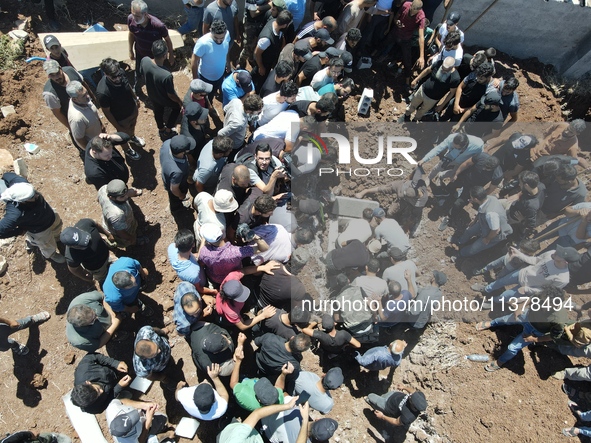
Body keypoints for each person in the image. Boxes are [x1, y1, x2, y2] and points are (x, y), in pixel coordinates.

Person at [476, 285, 569, 372]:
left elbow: (554, 336)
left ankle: (500, 361)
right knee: (505, 319)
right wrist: (520, 308)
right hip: (527, 316)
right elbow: (531, 298)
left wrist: (535, 339)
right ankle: (491, 323)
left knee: (512, 348)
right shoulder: (544, 295)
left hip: (534, 332)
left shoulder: (559, 319)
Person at [471, 245, 577, 308]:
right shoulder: (551, 253)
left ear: (565, 262)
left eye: (560, 254)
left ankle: (492, 301)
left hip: (526, 288)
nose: (556, 252)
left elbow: (545, 291)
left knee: (506, 296)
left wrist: (527, 289)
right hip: (522, 273)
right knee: (500, 282)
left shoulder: (563, 279)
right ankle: (486, 289)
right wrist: (519, 254)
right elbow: (535, 260)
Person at [0, 174, 64, 263]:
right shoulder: (15, 213)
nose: (37, 195)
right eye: (32, 196)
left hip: (50, 215)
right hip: (40, 231)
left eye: (34, 192)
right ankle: (51, 254)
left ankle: (56, 238)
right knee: (47, 245)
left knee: (57, 227)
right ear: (22, 201)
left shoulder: (20, 183)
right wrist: (18, 231)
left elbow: (6, 175)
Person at [96, 58, 143, 160]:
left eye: (119, 75)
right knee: (122, 135)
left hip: (132, 110)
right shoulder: (103, 92)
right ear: (105, 74)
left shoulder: (120, 73)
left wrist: (135, 98)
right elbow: (107, 112)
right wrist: (118, 126)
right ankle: (127, 150)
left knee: (132, 126)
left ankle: (132, 137)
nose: (118, 78)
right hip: (121, 118)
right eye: (114, 77)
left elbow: (128, 85)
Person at [197, 222, 269, 286]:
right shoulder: (236, 252)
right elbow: (264, 248)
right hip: (232, 277)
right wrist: (254, 237)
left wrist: (203, 240)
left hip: (215, 278)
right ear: (222, 233)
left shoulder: (204, 253)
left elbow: (200, 261)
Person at [128, 0, 174, 95]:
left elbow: (168, 40)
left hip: (154, 57)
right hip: (140, 52)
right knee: (138, 72)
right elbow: (131, 34)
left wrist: (171, 55)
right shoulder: (130, 20)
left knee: (155, 74)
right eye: (133, 14)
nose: (134, 18)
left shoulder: (158, 26)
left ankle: (156, 92)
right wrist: (130, 50)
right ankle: (137, 89)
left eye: (137, 16)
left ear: (145, 14)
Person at [141, 40, 184, 141]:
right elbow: (171, 95)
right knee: (176, 108)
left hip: (152, 95)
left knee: (158, 111)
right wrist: (180, 102)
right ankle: (168, 130)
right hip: (163, 98)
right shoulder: (166, 75)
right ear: (165, 55)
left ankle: (161, 128)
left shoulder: (145, 60)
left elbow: (142, 74)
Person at [452, 186, 513, 258]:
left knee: (474, 247)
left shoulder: (491, 214)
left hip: (495, 234)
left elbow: (496, 230)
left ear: (476, 199)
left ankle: (461, 254)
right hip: (486, 223)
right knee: (469, 231)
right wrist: (474, 221)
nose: (470, 198)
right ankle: (460, 241)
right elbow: (481, 209)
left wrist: (487, 239)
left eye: (471, 197)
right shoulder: (488, 198)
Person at [399, 56, 460, 122]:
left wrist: (442, 105)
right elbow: (427, 70)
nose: (443, 70)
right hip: (423, 90)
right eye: (442, 67)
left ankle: (415, 119)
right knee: (413, 104)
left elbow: (451, 93)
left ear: (452, 67)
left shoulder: (455, 78)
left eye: (446, 69)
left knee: (422, 111)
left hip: (432, 99)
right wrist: (416, 79)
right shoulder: (439, 63)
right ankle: (406, 115)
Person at [217, 397, 300, 442]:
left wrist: (287, 406)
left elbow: (257, 414)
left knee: (229, 428)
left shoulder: (237, 439)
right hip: (254, 437)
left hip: (230, 433)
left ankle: (224, 423)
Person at [416, 132, 483, 187]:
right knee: (439, 167)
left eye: (458, 148)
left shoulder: (478, 145)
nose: (456, 149)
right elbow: (438, 149)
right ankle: (429, 177)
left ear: (465, 145)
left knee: (454, 173)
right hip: (450, 156)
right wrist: (424, 159)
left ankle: (441, 176)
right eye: (454, 147)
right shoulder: (451, 138)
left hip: (463, 161)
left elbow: (477, 157)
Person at [41, 59, 89, 132]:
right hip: (76, 120)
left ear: (61, 68)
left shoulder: (71, 71)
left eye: (57, 73)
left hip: (88, 109)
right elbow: (58, 113)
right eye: (52, 75)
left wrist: (93, 99)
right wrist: (72, 129)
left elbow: (83, 84)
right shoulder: (49, 93)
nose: (56, 77)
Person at [191, 20, 232, 103]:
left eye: (222, 38)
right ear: (211, 31)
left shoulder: (227, 34)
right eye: (216, 38)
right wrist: (195, 79)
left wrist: (228, 62)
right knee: (206, 99)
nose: (219, 41)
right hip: (205, 78)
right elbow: (194, 61)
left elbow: (226, 50)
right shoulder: (203, 43)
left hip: (220, 75)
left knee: (213, 92)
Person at [98, 179, 145, 248]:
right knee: (125, 241)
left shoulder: (104, 188)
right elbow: (121, 233)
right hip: (121, 229)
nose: (126, 197)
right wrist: (131, 238)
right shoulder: (117, 214)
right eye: (122, 196)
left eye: (125, 194)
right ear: (111, 197)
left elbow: (98, 200)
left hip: (118, 220)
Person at [253, 11, 293, 84]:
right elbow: (257, 53)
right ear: (284, 25)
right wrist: (261, 67)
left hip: (270, 59)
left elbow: (281, 36)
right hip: (263, 62)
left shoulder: (276, 23)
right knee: (259, 79)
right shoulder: (266, 39)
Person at [159, 135, 195, 212]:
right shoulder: (177, 171)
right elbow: (174, 189)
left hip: (167, 174)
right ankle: (176, 208)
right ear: (182, 153)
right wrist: (181, 195)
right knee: (175, 199)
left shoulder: (167, 143)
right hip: (176, 185)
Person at [66, 81, 104, 153]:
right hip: (95, 147)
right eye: (84, 95)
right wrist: (92, 151)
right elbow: (80, 139)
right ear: (74, 99)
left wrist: (101, 125)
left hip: (100, 137)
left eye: (86, 92)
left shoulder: (84, 100)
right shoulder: (77, 118)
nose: (88, 96)